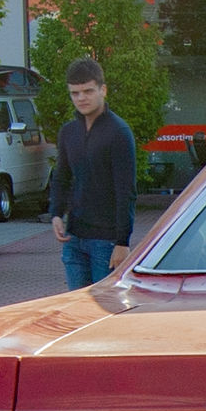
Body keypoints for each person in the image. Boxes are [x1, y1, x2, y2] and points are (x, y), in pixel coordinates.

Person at [49, 57, 136, 290]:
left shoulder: (118, 132)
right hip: (74, 238)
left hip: (105, 242)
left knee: (105, 310)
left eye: (87, 91)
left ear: (103, 90)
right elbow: (62, 176)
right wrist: (56, 213)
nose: (81, 98)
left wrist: (122, 242)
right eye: (75, 93)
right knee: (76, 311)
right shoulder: (69, 132)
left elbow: (125, 191)